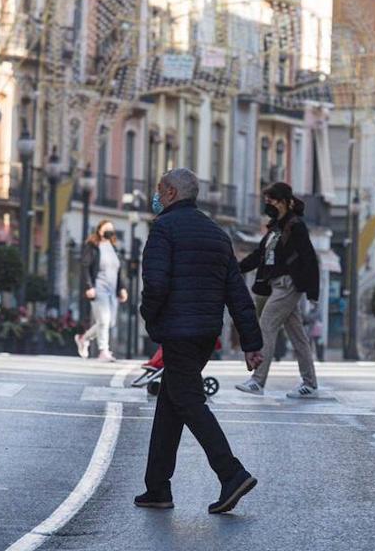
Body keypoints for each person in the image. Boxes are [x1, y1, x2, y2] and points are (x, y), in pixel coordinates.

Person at [138, 168, 265, 514]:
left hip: (177, 332)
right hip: (205, 335)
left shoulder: (163, 229)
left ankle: (231, 473)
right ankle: (157, 487)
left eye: (159, 189)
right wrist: (251, 342)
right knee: (171, 402)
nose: (156, 195)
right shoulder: (217, 234)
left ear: (171, 194)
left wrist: (149, 315)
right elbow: (237, 293)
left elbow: (156, 284)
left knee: (189, 402)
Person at [236, 181, 321, 398]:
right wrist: (236, 268)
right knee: (298, 335)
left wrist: (313, 291)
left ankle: (258, 380)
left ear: (284, 202)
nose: (268, 205)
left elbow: (309, 258)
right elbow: (259, 255)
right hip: (277, 285)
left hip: (289, 285)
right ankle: (310, 383)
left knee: (266, 324)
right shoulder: (275, 228)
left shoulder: (296, 226)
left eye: (271, 201)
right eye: (266, 201)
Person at [74, 219, 127, 362]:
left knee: (110, 323)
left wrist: (122, 288)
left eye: (111, 229)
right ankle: (103, 351)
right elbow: (85, 267)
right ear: (99, 230)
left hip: (112, 291)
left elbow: (118, 271)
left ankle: (83, 338)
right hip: (99, 288)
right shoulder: (93, 246)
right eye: (106, 228)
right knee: (103, 320)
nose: (110, 231)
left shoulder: (113, 248)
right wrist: (89, 286)